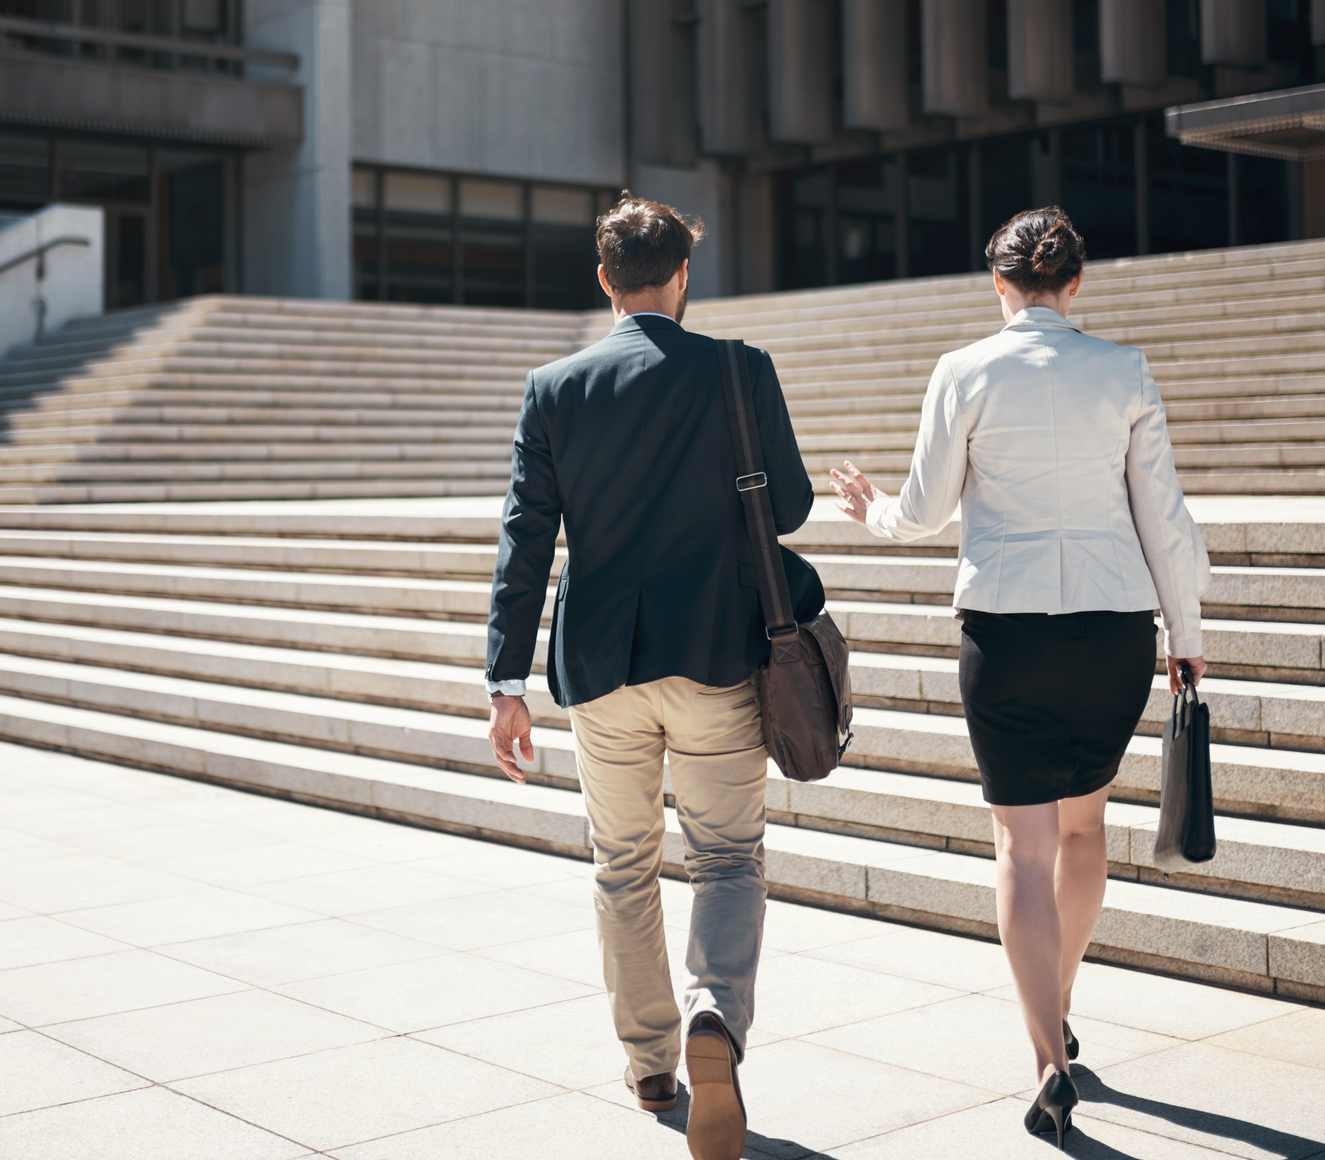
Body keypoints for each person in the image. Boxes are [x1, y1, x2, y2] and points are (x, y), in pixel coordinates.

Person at [828, 207, 1208, 1149]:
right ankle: (1060, 1003)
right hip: (1114, 632)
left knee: (1021, 850)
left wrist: (871, 511)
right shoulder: (1124, 370)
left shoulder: (964, 370)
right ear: (1076, 283)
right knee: (1084, 831)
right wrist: (1186, 633)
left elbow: (924, 511)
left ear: (997, 282)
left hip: (1006, 634)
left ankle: (1047, 1060)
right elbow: (1164, 518)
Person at [485, 194, 817, 1160]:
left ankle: (652, 1066)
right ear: (682, 277)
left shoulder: (554, 388)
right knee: (727, 859)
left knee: (623, 863)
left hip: (601, 669)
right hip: (716, 655)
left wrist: (505, 682)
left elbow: (524, 540)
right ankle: (716, 1014)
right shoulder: (740, 370)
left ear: (605, 281)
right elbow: (791, 506)